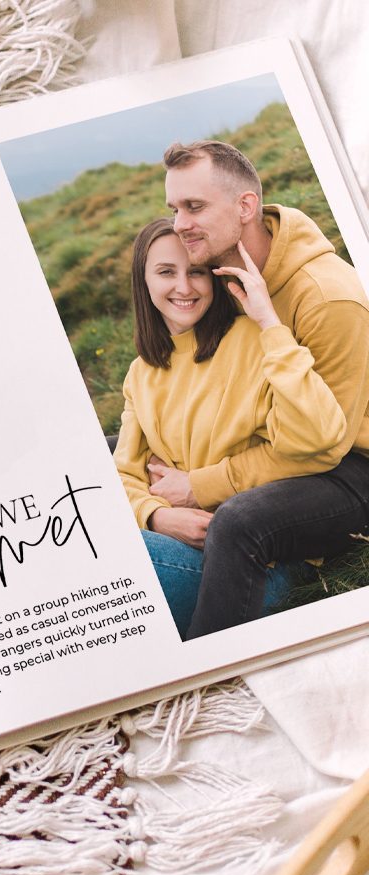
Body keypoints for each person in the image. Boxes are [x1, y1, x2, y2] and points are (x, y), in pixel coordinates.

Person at [152, 139, 369, 639]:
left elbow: (324, 447)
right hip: (271, 434)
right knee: (109, 449)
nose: (180, 223)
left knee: (240, 522)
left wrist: (199, 484)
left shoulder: (327, 298)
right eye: (174, 209)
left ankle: (211, 670)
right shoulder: (222, 269)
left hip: (351, 464)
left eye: (195, 206)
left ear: (246, 206)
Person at [116, 217, 347, 638]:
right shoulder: (140, 372)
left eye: (197, 272)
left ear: (215, 278)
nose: (183, 287)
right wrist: (156, 517)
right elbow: (123, 476)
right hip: (173, 539)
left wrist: (271, 327)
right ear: (143, 281)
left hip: (252, 562)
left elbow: (318, 439)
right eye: (167, 272)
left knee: (106, 557)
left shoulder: (253, 341)